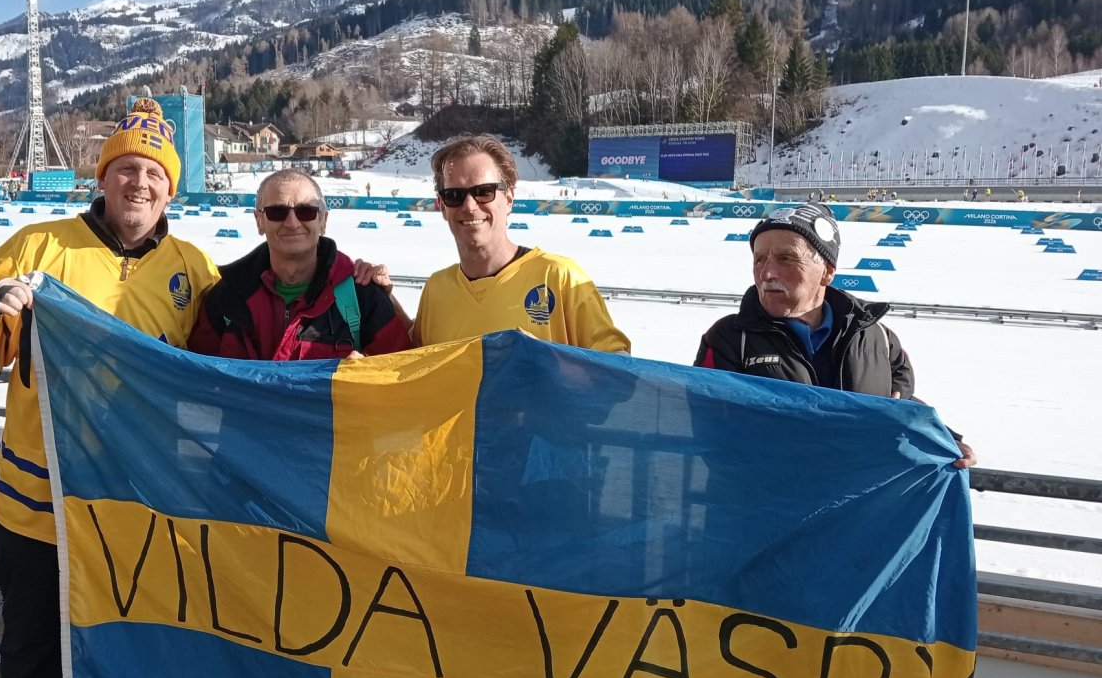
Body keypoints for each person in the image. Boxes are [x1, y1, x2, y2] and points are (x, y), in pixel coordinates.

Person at [0, 98, 218, 678]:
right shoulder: (42, 245)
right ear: (102, 177)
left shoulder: (192, 268)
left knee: (128, 674)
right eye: (126, 169)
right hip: (39, 514)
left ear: (170, 190)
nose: (139, 183)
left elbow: (230, 360)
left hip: (136, 514)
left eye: (155, 174)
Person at [693, 202, 976, 469]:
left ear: (827, 271)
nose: (767, 273)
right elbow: (713, 434)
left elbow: (894, 407)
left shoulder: (876, 337)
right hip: (770, 511)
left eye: (786, 258)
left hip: (857, 511)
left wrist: (944, 439)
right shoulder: (729, 339)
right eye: (759, 260)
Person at [412, 133, 629, 353]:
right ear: (442, 206)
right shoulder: (436, 290)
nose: (469, 206)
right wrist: (384, 298)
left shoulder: (559, 277)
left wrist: (551, 363)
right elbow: (410, 366)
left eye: (483, 192)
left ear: (508, 198)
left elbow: (617, 370)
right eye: (454, 195)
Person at [189, 169, 411, 359]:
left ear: (323, 220)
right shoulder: (224, 298)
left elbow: (402, 378)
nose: (292, 223)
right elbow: (194, 381)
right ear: (260, 221)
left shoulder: (363, 296)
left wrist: (367, 376)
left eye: (306, 211)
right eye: (277, 212)